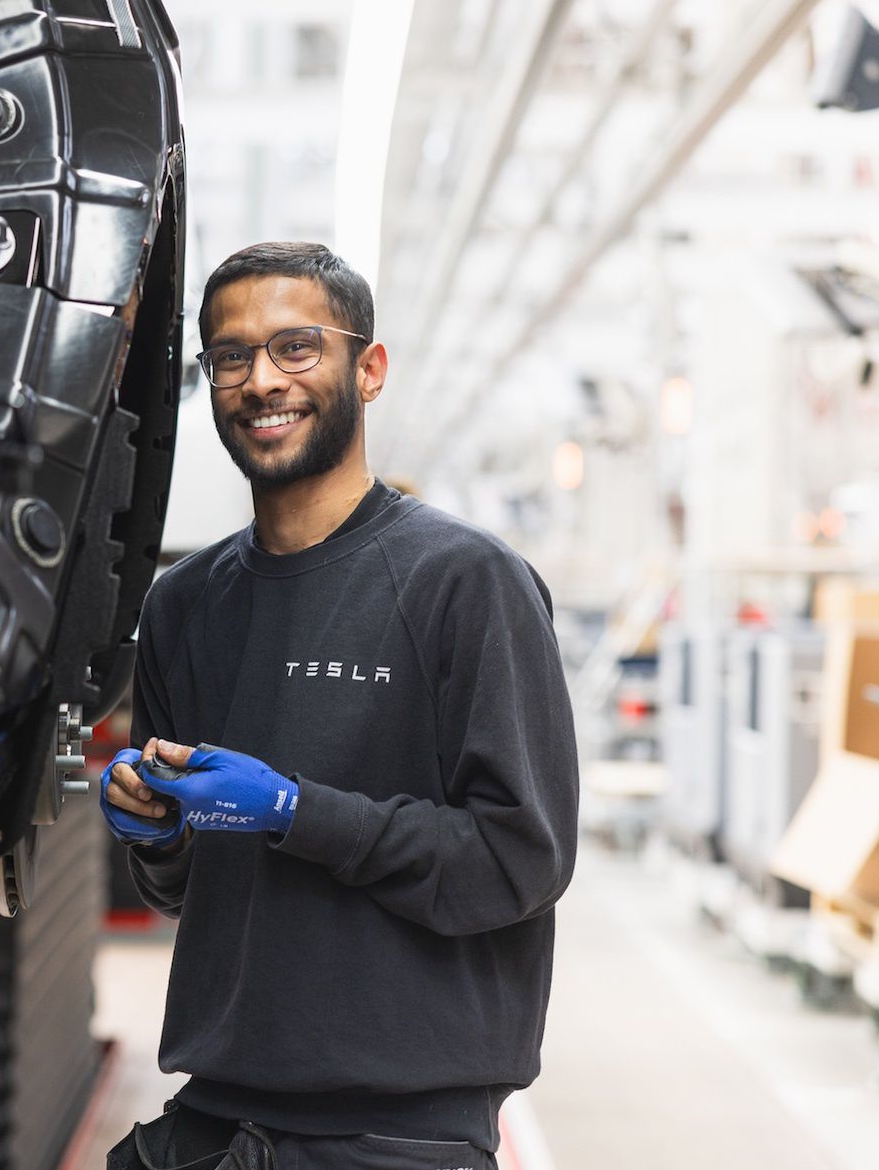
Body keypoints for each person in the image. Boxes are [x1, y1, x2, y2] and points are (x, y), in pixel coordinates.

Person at [98, 242, 578, 1170]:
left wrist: (293, 809)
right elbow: (191, 891)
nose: (261, 380)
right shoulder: (184, 605)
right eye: (230, 356)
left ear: (369, 367)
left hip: (399, 1133)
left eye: (296, 347)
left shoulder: (466, 583)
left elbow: (520, 858)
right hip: (213, 1120)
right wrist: (159, 836)